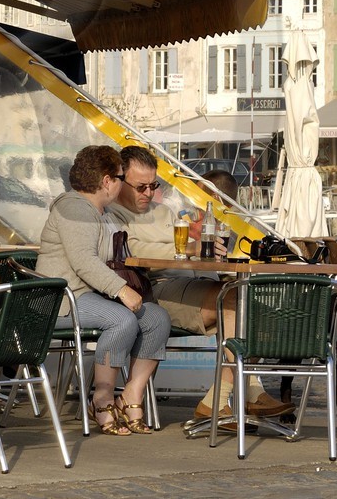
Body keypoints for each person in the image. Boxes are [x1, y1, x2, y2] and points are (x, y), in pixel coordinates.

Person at [110, 146, 292, 421]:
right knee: (235, 301)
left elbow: (183, 251)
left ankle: (230, 396)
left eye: (153, 185)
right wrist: (192, 250)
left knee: (247, 303)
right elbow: (135, 252)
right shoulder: (113, 213)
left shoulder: (162, 212)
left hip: (189, 284)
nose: (148, 193)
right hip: (150, 291)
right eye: (140, 187)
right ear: (119, 179)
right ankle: (236, 395)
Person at [36, 145, 169, 435]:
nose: (122, 184)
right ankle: (102, 397)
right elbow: (84, 261)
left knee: (157, 318)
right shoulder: (73, 208)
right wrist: (122, 290)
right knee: (121, 319)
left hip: (88, 296)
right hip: (60, 299)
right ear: (107, 181)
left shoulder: (101, 212)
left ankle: (131, 394)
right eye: (121, 177)